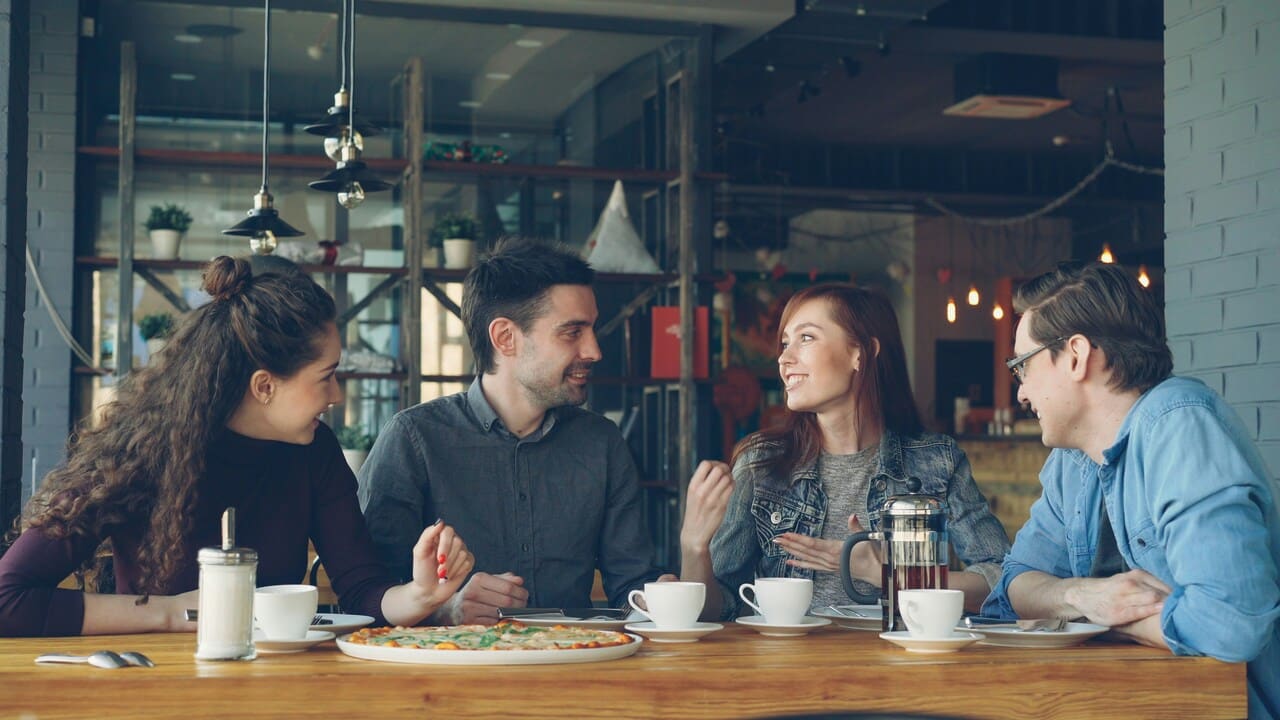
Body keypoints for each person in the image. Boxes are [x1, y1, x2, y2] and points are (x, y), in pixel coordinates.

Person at [0, 257, 473, 637]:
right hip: (153, 688)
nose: (337, 395)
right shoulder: (140, 450)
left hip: (276, 689)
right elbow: (7, 598)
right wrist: (171, 613)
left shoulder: (314, 449)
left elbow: (361, 589)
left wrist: (420, 596)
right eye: (326, 377)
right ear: (265, 386)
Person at [359, 238, 729, 624]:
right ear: (505, 338)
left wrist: (656, 593)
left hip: (576, 667)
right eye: (572, 332)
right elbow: (369, 594)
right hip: (446, 674)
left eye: (592, 330)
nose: (594, 351)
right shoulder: (413, 439)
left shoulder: (602, 442)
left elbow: (630, 583)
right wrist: (445, 610)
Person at [980, 263, 1279, 719]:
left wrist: (1105, 617)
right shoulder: (1072, 457)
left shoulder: (1178, 425)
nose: (1021, 393)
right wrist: (1083, 597)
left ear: (1076, 355)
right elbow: (1014, 586)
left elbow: (1229, 625)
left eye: (1022, 366)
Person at [680, 283, 1010, 620]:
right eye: (784, 343)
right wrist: (694, 547)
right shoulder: (760, 464)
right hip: (788, 666)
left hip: (904, 661)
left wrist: (887, 575)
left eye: (806, 338)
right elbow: (714, 608)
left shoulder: (936, 461)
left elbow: (1003, 581)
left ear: (861, 353)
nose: (784, 358)